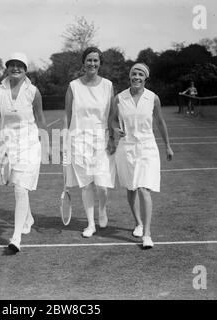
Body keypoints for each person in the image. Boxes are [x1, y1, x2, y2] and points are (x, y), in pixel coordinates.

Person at [108, 63, 173, 249]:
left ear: (146, 78)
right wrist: (114, 129)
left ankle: (147, 234)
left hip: (147, 147)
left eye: (140, 74)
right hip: (126, 148)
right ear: (130, 77)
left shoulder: (153, 98)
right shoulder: (119, 98)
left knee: (144, 188)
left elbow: (160, 122)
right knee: (131, 188)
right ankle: (138, 222)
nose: (136, 77)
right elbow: (112, 119)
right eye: (134, 74)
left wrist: (168, 146)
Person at [0, 52, 49, 253]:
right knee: (16, 185)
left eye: (20, 65)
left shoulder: (33, 91)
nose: (16, 68)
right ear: (7, 67)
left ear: (26, 69)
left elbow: (40, 119)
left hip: (30, 143)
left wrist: (51, 145)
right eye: (12, 65)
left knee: (20, 189)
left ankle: (16, 237)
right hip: (8, 144)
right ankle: (29, 218)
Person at [64, 47, 116, 238]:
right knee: (86, 185)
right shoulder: (73, 86)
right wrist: (65, 141)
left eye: (95, 60)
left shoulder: (108, 85)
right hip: (78, 141)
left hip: (101, 140)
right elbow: (67, 116)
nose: (92, 64)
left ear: (100, 63)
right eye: (89, 60)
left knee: (102, 185)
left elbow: (111, 114)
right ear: (83, 63)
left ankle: (102, 209)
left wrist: (112, 137)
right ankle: (91, 224)